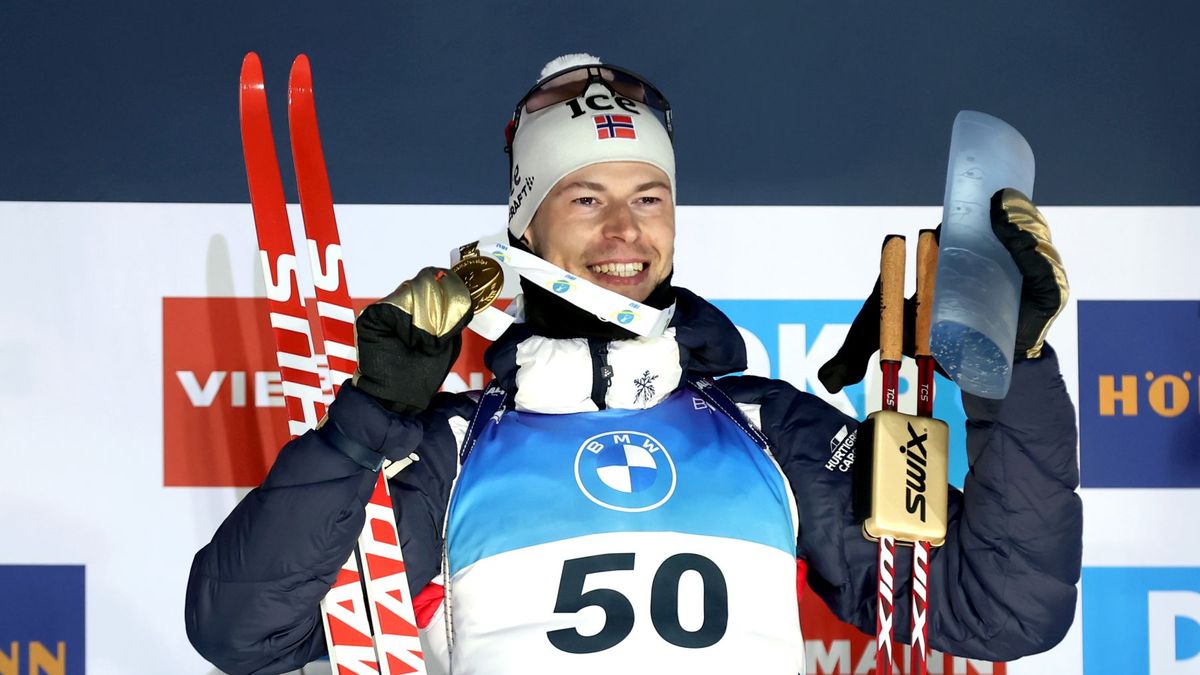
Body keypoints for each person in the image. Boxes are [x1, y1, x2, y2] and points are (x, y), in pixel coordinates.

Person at [186, 54, 1082, 675]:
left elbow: (1000, 606)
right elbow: (245, 632)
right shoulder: (453, 450)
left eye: (649, 197)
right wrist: (364, 424)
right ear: (524, 227)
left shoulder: (768, 429)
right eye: (586, 198)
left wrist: (1013, 367)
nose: (625, 231)